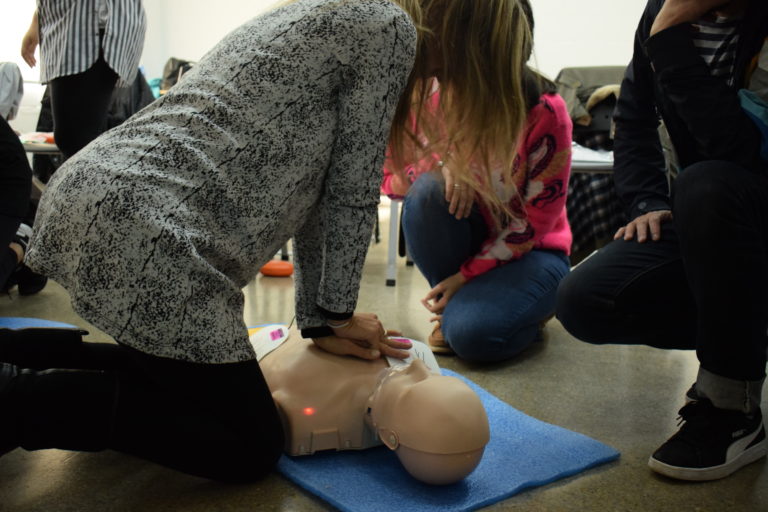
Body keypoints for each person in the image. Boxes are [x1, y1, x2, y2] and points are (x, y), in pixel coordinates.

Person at [0, 0, 534, 482]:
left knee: (179, 385)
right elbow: (351, 191)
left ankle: (18, 354)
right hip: (150, 233)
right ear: (471, 42)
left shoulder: (325, 14)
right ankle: (21, 402)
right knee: (248, 445)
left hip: (94, 191)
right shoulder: (390, 29)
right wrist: (339, 314)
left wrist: (320, 319)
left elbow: (317, 199)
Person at [556, 0, 768, 481]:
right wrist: (647, 201)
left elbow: (737, 151)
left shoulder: (679, 20)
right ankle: (745, 335)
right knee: (585, 299)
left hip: (740, 202)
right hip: (705, 215)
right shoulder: (661, 10)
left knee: (708, 184)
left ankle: (731, 405)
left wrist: (669, 33)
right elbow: (632, 118)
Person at [395, 0, 573, 362]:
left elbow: (533, 224)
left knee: (473, 337)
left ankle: (529, 307)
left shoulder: (545, 111)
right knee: (428, 192)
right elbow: (395, 183)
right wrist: (442, 164)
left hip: (535, 254)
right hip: (475, 245)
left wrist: (464, 277)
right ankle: (467, 307)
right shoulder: (432, 97)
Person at [256, 326, 489, 485]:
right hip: (293, 336)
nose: (417, 367)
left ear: (391, 438)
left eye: (411, 386)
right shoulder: (415, 358)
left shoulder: (309, 405)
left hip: (273, 344)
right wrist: (339, 322)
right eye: (429, 377)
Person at [20, 0, 147, 159]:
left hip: (90, 27)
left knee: (76, 143)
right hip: (68, 24)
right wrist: (37, 21)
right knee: (73, 141)